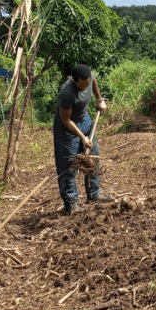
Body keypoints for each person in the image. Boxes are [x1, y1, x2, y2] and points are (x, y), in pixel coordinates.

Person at [53, 64, 111, 214]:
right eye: (82, 85)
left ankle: (94, 194)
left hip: (84, 120)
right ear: (74, 80)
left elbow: (94, 80)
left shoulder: (88, 77)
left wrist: (99, 99)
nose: (85, 87)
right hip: (66, 128)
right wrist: (83, 138)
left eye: (88, 84)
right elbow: (65, 119)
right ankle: (71, 204)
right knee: (69, 165)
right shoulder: (67, 93)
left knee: (93, 157)